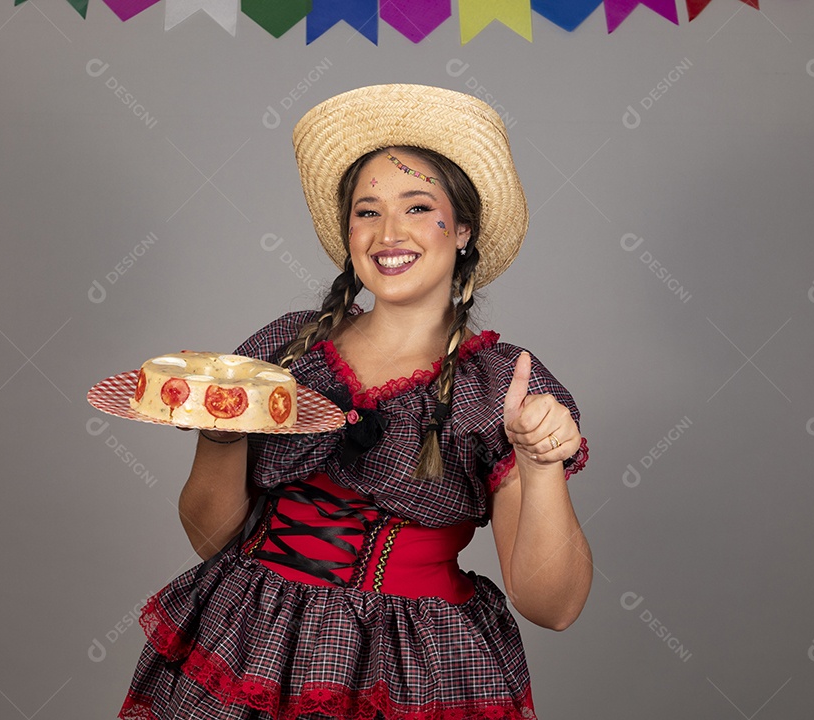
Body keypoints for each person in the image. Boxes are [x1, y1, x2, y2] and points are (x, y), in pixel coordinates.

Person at [118, 84, 592, 720]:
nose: (388, 232)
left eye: (418, 207)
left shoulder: (498, 386)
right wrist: (221, 432)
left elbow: (552, 607)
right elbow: (211, 539)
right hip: (246, 639)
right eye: (367, 212)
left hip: (409, 668)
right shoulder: (287, 351)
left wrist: (540, 466)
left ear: (463, 230)